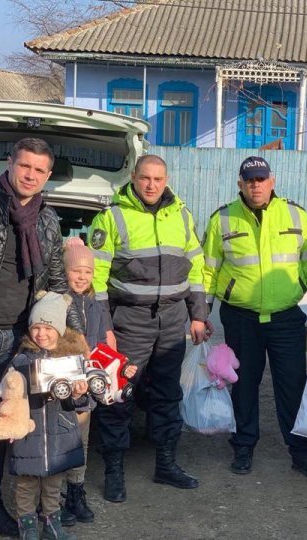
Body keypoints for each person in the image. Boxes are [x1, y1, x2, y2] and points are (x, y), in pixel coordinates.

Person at [0, 138, 81, 539]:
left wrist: (75, 340)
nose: (31, 175)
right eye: (25, 166)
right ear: (9, 163)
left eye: (40, 171)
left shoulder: (46, 220)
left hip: (17, 340)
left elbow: (58, 285)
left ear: (47, 175)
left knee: (2, 420)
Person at [202, 156, 307, 478]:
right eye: (249, 180)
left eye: (261, 179)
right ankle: (244, 447)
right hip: (241, 318)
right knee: (244, 385)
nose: (256, 185)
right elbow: (208, 270)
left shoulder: (295, 214)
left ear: (272, 181)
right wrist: (200, 312)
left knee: (293, 386)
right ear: (240, 184)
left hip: (285, 318)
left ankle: (303, 453)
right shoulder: (222, 219)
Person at [88, 154, 208, 503]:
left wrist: (198, 315)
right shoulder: (112, 217)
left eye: (158, 179)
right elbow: (95, 280)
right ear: (133, 177)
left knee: (168, 394)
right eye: (145, 178)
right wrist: (103, 327)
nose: (151, 185)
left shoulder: (182, 216)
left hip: (171, 321)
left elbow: (197, 267)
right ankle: (113, 470)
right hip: (128, 322)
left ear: (166, 179)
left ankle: (166, 464)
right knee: (119, 394)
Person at [60, 238, 137, 526]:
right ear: (64, 270)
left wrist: (119, 367)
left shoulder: (94, 305)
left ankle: (76, 492)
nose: (82, 277)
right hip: (65, 384)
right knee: (61, 441)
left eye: (88, 272)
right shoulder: (57, 302)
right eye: (76, 271)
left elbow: (102, 347)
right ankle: (56, 498)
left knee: (81, 439)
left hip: (88, 386)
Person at [1, 291, 87, 540]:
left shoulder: (70, 361)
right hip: (29, 433)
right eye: (36, 327)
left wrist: (80, 392)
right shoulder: (20, 360)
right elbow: (3, 391)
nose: (42, 333)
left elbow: (81, 403)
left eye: (48, 328)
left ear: (59, 329)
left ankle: (52, 525)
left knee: (53, 486)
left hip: (60, 433)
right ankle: (26, 526)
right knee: (25, 485)